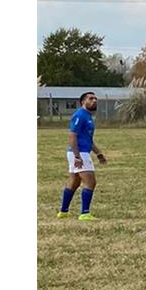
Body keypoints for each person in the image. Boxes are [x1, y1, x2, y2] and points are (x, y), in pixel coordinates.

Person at [59, 91, 107, 219]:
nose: (94, 100)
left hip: (81, 152)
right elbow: (72, 136)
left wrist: (99, 153)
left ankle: (63, 211)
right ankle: (85, 213)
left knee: (74, 181)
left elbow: (88, 140)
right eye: (91, 98)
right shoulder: (80, 115)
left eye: (95, 99)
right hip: (79, 153)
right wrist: (77, 156)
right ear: (83, 102)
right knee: (90, 181)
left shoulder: (88, 117)